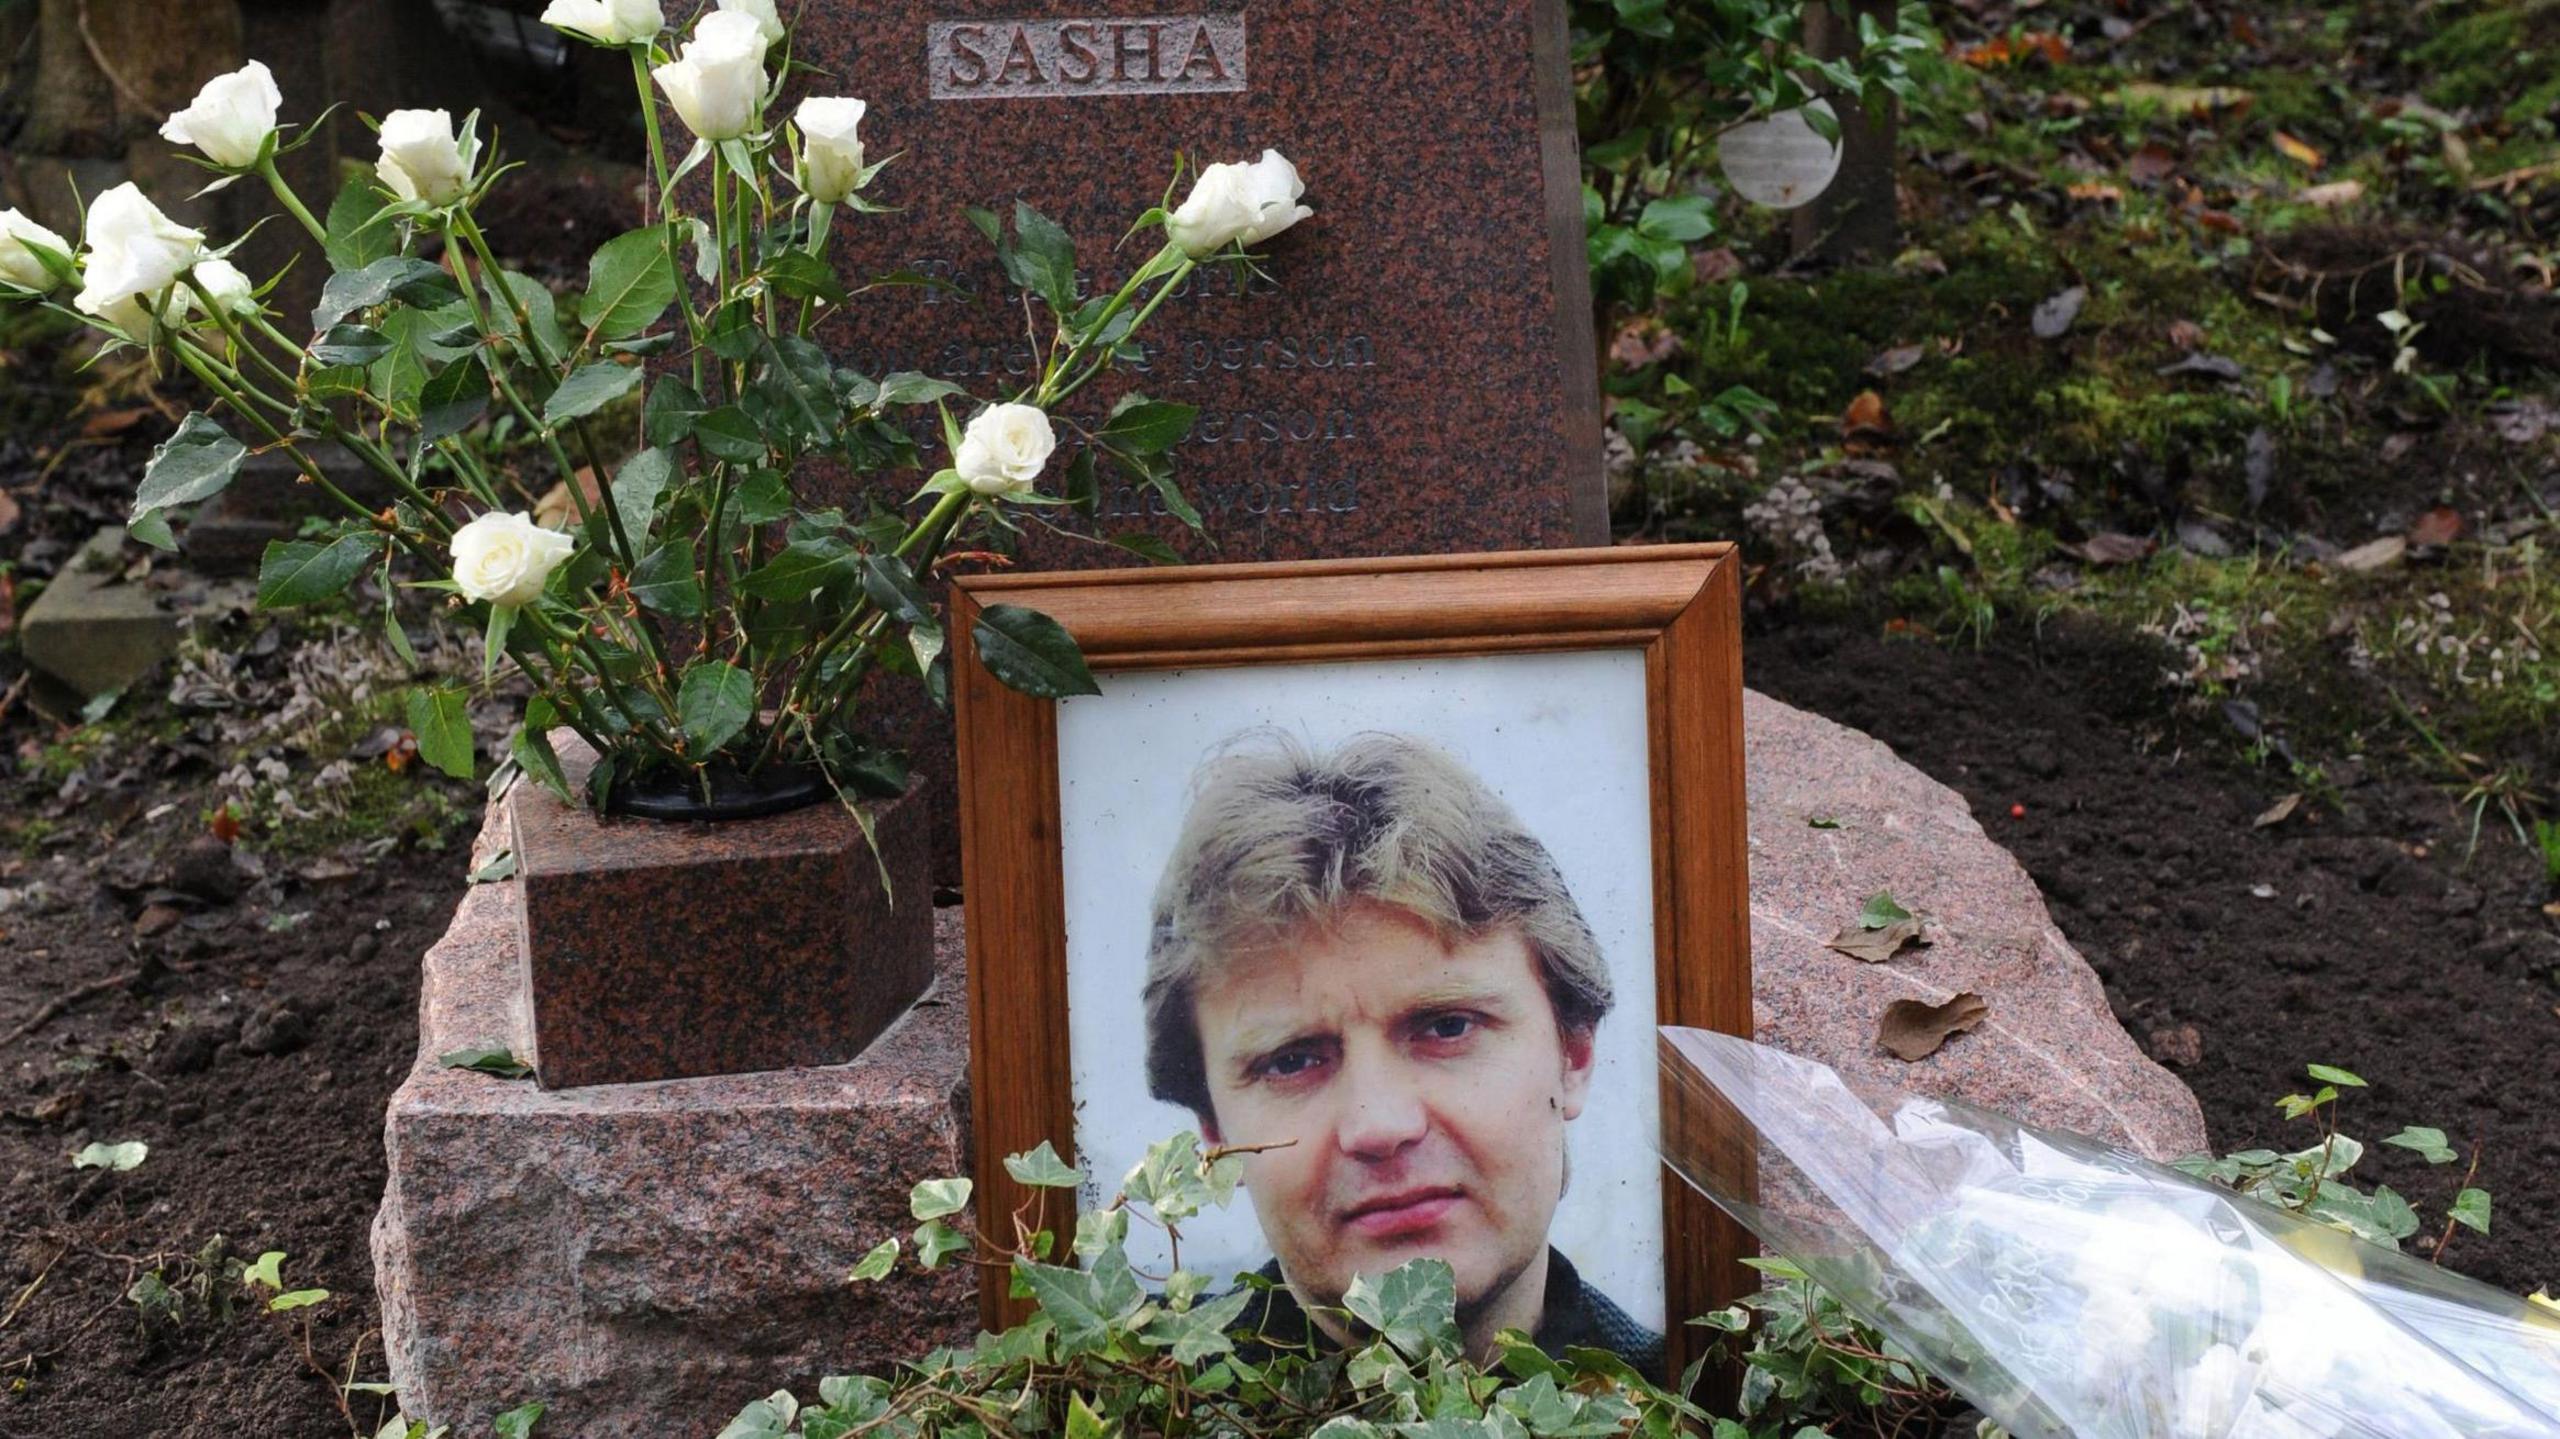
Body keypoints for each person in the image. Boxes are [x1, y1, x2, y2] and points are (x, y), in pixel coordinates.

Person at [1139, 730, 1662, 1380]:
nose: (1380, 1125)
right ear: (1214, 1129)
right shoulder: (1120, 1398)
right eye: (1293, 1060)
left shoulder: (1721, 1404)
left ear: (1573, 1053)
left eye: (1446, 1026)